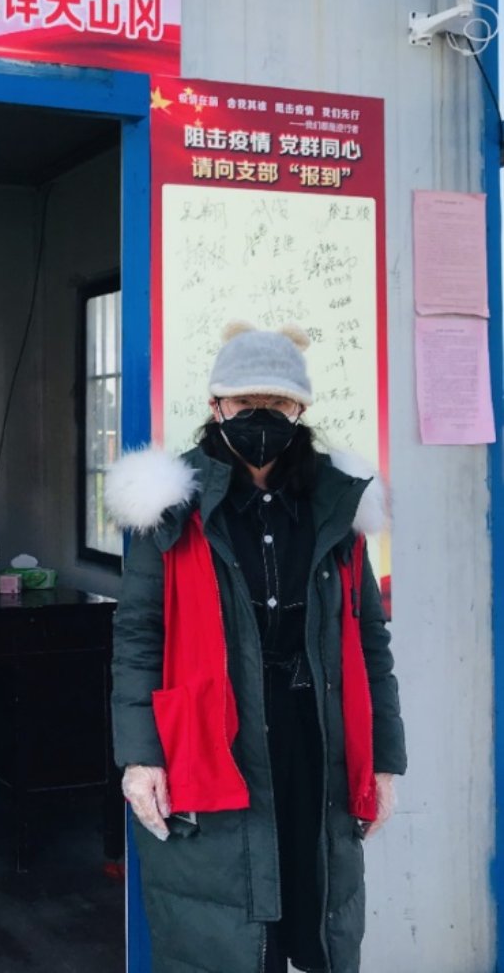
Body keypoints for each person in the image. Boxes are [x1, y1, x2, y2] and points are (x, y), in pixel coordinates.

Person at [106, 321, 405, 973]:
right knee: (229, 935)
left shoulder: (336, 502)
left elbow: (368, 638)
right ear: (216, 406)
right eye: (246, 403)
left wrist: (383, 759)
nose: (261, 418)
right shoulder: (172, 507)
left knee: (310, 908)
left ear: (300, 410)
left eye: (279, 404)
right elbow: (138, 636)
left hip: (312, 738)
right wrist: (139, 757)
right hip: (213, 737)